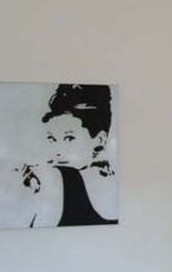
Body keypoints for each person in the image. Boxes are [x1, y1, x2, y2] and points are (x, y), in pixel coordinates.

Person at [16, 84, 118, 227]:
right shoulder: (112, 183)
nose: (57, 150)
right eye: (52, 139)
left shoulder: (58, 177)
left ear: (100, 140)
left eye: (69, 138)